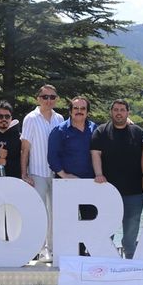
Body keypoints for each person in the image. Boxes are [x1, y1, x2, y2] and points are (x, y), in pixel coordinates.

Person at [91, 100, 143, 258]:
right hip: (108, 190)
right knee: (107, 227)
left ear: (128, 112)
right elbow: (95, 154)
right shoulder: (101, 131)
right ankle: (107, 257)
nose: (119, 113)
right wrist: (98, 174)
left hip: (134, 190)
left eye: (122, 110)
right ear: (111, 112)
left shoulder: (138, 132)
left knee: (132, 226)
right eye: (116, 110)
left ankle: (130, 256)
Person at [20, 85, 64, 261]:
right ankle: (39, 249)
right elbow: (25, 148)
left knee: (55, 213)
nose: (48, 100)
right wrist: (24, 173)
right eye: (45, 97)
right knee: (39, 212)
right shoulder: (30, 118)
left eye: (52, 97)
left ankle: (52, 249)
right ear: (38, 99)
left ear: (56, 99)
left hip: (56, 173)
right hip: (36, 172)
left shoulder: (59, 118)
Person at [49, 96, 97, 256]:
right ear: (70, 111)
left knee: (90, 220)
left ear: (87, 112)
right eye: (76, 108)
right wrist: (64, 175)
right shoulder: (59, 130)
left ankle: (86, 254)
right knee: (67, 221)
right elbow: (52, 157)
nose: (79, 111)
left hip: (90, 184)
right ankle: (70, 255)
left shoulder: (94, 129)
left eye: (83, 109)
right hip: (66, 183)